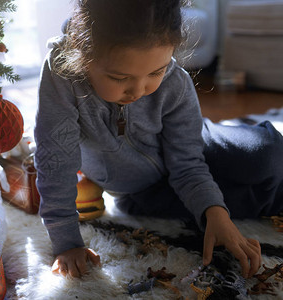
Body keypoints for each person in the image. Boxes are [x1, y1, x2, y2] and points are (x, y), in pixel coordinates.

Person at [34, 0, 283, 280]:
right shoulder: (62, 75)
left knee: (267, 156)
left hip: (188, 148)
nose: (139, 90)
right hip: (138, 191)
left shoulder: (175, 83)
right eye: (119, 77)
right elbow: (55, 162)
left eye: (155, 72)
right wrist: (67, 243)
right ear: (84, 55)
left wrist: (216, 213)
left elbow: (188, 164)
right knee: (253, 199)